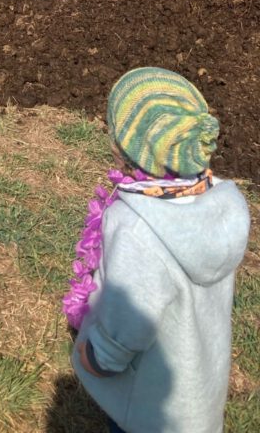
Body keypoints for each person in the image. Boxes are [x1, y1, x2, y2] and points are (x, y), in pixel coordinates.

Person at [68, 66, 250, 433]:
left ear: (125, 149)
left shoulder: (136, 225)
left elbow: (132, 313)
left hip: (150, 406)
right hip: (198, 394)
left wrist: (99, 356)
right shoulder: (223, 203)